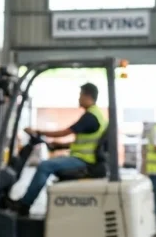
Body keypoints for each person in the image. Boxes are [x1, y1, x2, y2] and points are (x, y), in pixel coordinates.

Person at [12, 82, 107, 214]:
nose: (78, 99)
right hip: (84, 159)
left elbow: (65, 132)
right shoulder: (96, 114)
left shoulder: (91, 116)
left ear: (87, 95)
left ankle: (24, 205)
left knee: (45, 166)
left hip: (85, 161)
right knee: (48, 165)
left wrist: (38, 131)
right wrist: (57, 146)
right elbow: (85, 142)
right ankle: (24, 203)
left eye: (80, 95)